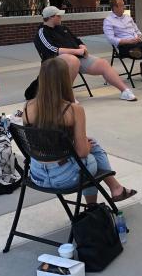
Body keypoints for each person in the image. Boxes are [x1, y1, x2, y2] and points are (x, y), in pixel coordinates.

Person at [23, 57, 136, 205]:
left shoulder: (27, 107)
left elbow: (38, 140)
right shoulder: (73, 110)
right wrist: (86, 146)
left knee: (90, 146)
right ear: (66, 80)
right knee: (90, 156)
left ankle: (116, 188)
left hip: (37, 175)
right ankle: (94, 204)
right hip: (65, 177)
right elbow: (82, 152)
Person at [34, 5, 138, 102]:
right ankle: (66, 95)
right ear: (51, 17)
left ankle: (125, 91)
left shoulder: (63, 28)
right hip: (54, 62)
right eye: (58, 16)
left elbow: (77, 40)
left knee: (103, 63)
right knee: (73, 60)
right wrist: (76, 51)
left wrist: (82, 46)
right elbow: (53, 49)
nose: (61, 17)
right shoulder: (42, 32)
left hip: (77, 58)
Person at [103, 0, 142, 92]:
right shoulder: (108, 21)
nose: (124, 7)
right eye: (122, 5)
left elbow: (137, 31)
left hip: (137, 44)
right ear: (115, 7)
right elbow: (111, 39)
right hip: (125, 47)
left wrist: (139, 37)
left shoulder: (128, 17)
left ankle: (140, 48)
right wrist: (129, 41)